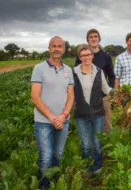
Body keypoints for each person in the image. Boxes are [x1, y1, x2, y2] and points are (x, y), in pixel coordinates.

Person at [31, 36, 74, 189]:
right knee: (46, 157)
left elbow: (71, 96)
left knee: (57, 155)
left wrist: (63, 116)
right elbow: (35, 98)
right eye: (53, 46)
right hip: (43, 122)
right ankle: (44, 186)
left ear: (63, 49)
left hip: (63, 120)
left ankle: (54, 183)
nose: (56, 49)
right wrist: (52, 118)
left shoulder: (68, 70)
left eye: (60, 46)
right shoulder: (39, 68)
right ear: (49, 48)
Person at [73, 44, 114, 177]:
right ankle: (87, 167)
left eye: (88, 54)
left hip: (97, 112)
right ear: (79, 57)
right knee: (85, 144)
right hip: (81, 113)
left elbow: (106, 88)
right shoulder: (74, 72)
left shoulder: (99, 71)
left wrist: (116, 92)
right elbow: (69, 92)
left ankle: (97, 167)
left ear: (92, 55)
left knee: (97, 142)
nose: (86, 57)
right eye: (83, 55)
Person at [75, 29, 115, 132]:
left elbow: (111, 75)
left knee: (107, 126)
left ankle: (106, 146)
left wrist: (110, 94)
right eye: (91, 37)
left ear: (99, 38)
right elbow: (76, 77)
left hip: (103, 96)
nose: (93, 39)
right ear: (88, 40)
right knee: (89, 126)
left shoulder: (106, 56)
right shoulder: (81, 56)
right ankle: (92, 145)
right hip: (86, 98)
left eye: (95, 36)